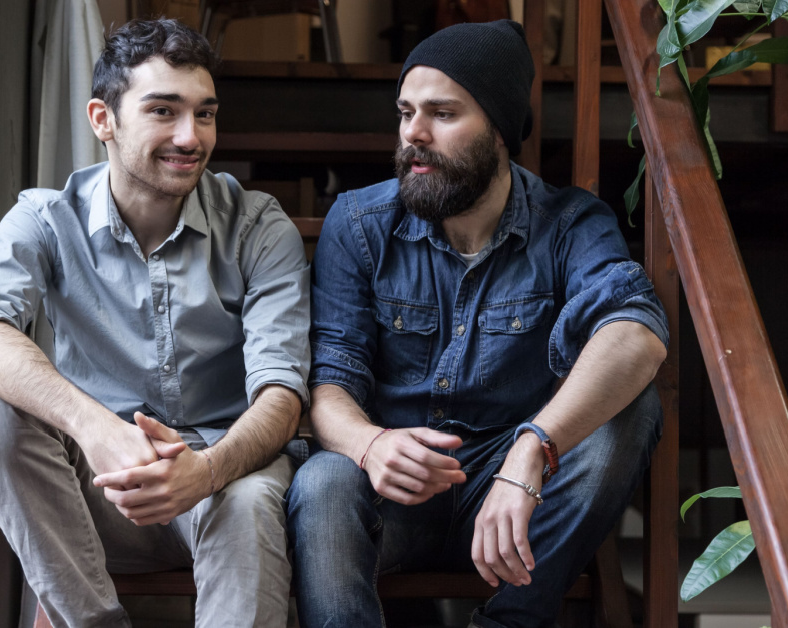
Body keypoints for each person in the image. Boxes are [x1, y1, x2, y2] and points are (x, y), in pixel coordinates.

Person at [286, 20, 668, 628]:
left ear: (499, 130)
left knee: (632, 408)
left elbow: (636, 336)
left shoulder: (569, 225)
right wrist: (369, 444)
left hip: (516, 498)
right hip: (394, 492)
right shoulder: (358, 224)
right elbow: (329, 384)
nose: (414, 133)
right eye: (406, 112)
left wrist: (532, 449)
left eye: (442, 113)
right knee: (324, 479)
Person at [0, 19, 310, 628]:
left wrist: (207, 470)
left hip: (227, 476)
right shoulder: (46, 218)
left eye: (204, 114)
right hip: (102, 490)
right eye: (163, 111)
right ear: (103, 119)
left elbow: (283, 394)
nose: (190, 137)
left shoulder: (258, 225)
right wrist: (95, 428)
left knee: (248, 504)